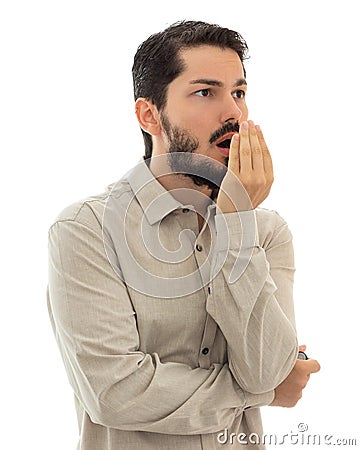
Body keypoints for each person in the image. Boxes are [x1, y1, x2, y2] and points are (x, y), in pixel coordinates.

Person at [47, 20, 320, 449]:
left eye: (238, 93)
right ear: (149, 114)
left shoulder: (265, 231)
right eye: (205, 92)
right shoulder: (85, 231)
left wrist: (237, 225)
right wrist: (261, 395)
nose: (234, 112)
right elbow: (115, 393)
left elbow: (267, 368)